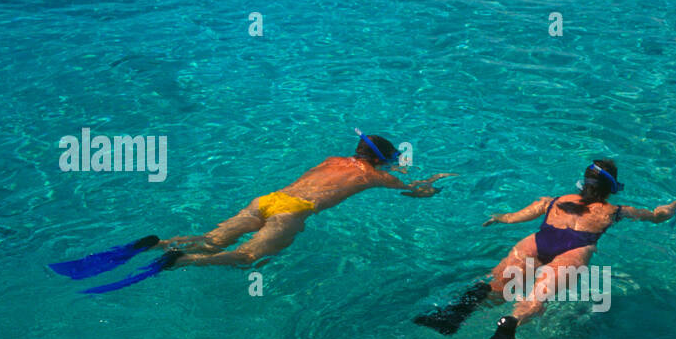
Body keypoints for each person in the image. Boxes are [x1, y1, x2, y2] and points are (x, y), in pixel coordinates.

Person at [414, 158, 676, 339]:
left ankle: (449, 318)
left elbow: (523, 213)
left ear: (583, 182)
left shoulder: (558, 200)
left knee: (493, 288)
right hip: (573, 253)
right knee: (532, 304)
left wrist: (500, 217)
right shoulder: (616, 212)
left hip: (536, 242)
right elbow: (657, 215)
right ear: (612, 189)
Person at [50, 131, 451, 292]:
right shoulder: (373, 177)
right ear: (381, 161)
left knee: (213, 238)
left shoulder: (333, 160)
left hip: (267, 199)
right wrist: (429, 185)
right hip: (292, 211)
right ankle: (182, 261)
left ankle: (157, 243)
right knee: (247, 258)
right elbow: (416, 192)